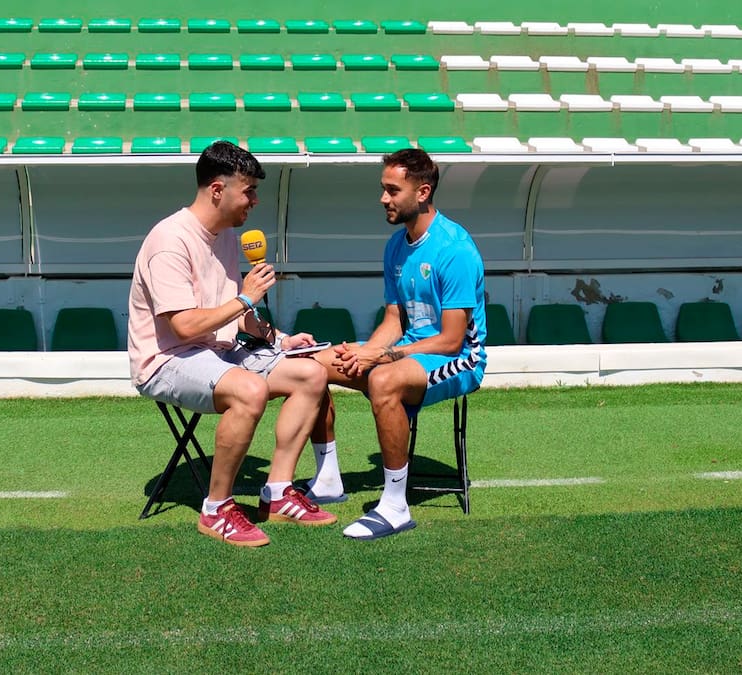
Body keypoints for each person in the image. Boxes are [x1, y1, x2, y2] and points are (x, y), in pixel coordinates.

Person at [127, 141, 336, 548]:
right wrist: (245, 299)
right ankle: (216, 508)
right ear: (218, 191)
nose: (255, 201)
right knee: (250, 388)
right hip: (167, 359)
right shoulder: (169, 240)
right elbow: (186, 326)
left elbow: (229, 311)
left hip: (218, 351)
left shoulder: (224, 233)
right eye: (249, 191)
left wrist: (279, 338)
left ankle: (276, 494)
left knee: (311, 373)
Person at [307, 148, 487, 540]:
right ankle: (328, 478)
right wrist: (363, 353)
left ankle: (395, 505)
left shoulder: (455, 249)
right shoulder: (395, 246)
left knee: (384, 381)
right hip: (409, 351)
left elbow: (452, 339)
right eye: (383, 189)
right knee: (313, 365)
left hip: (459, 359)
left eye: (392, 190)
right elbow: (394, 320)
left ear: (422, 192)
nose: (383, 198)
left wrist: (380, 358)